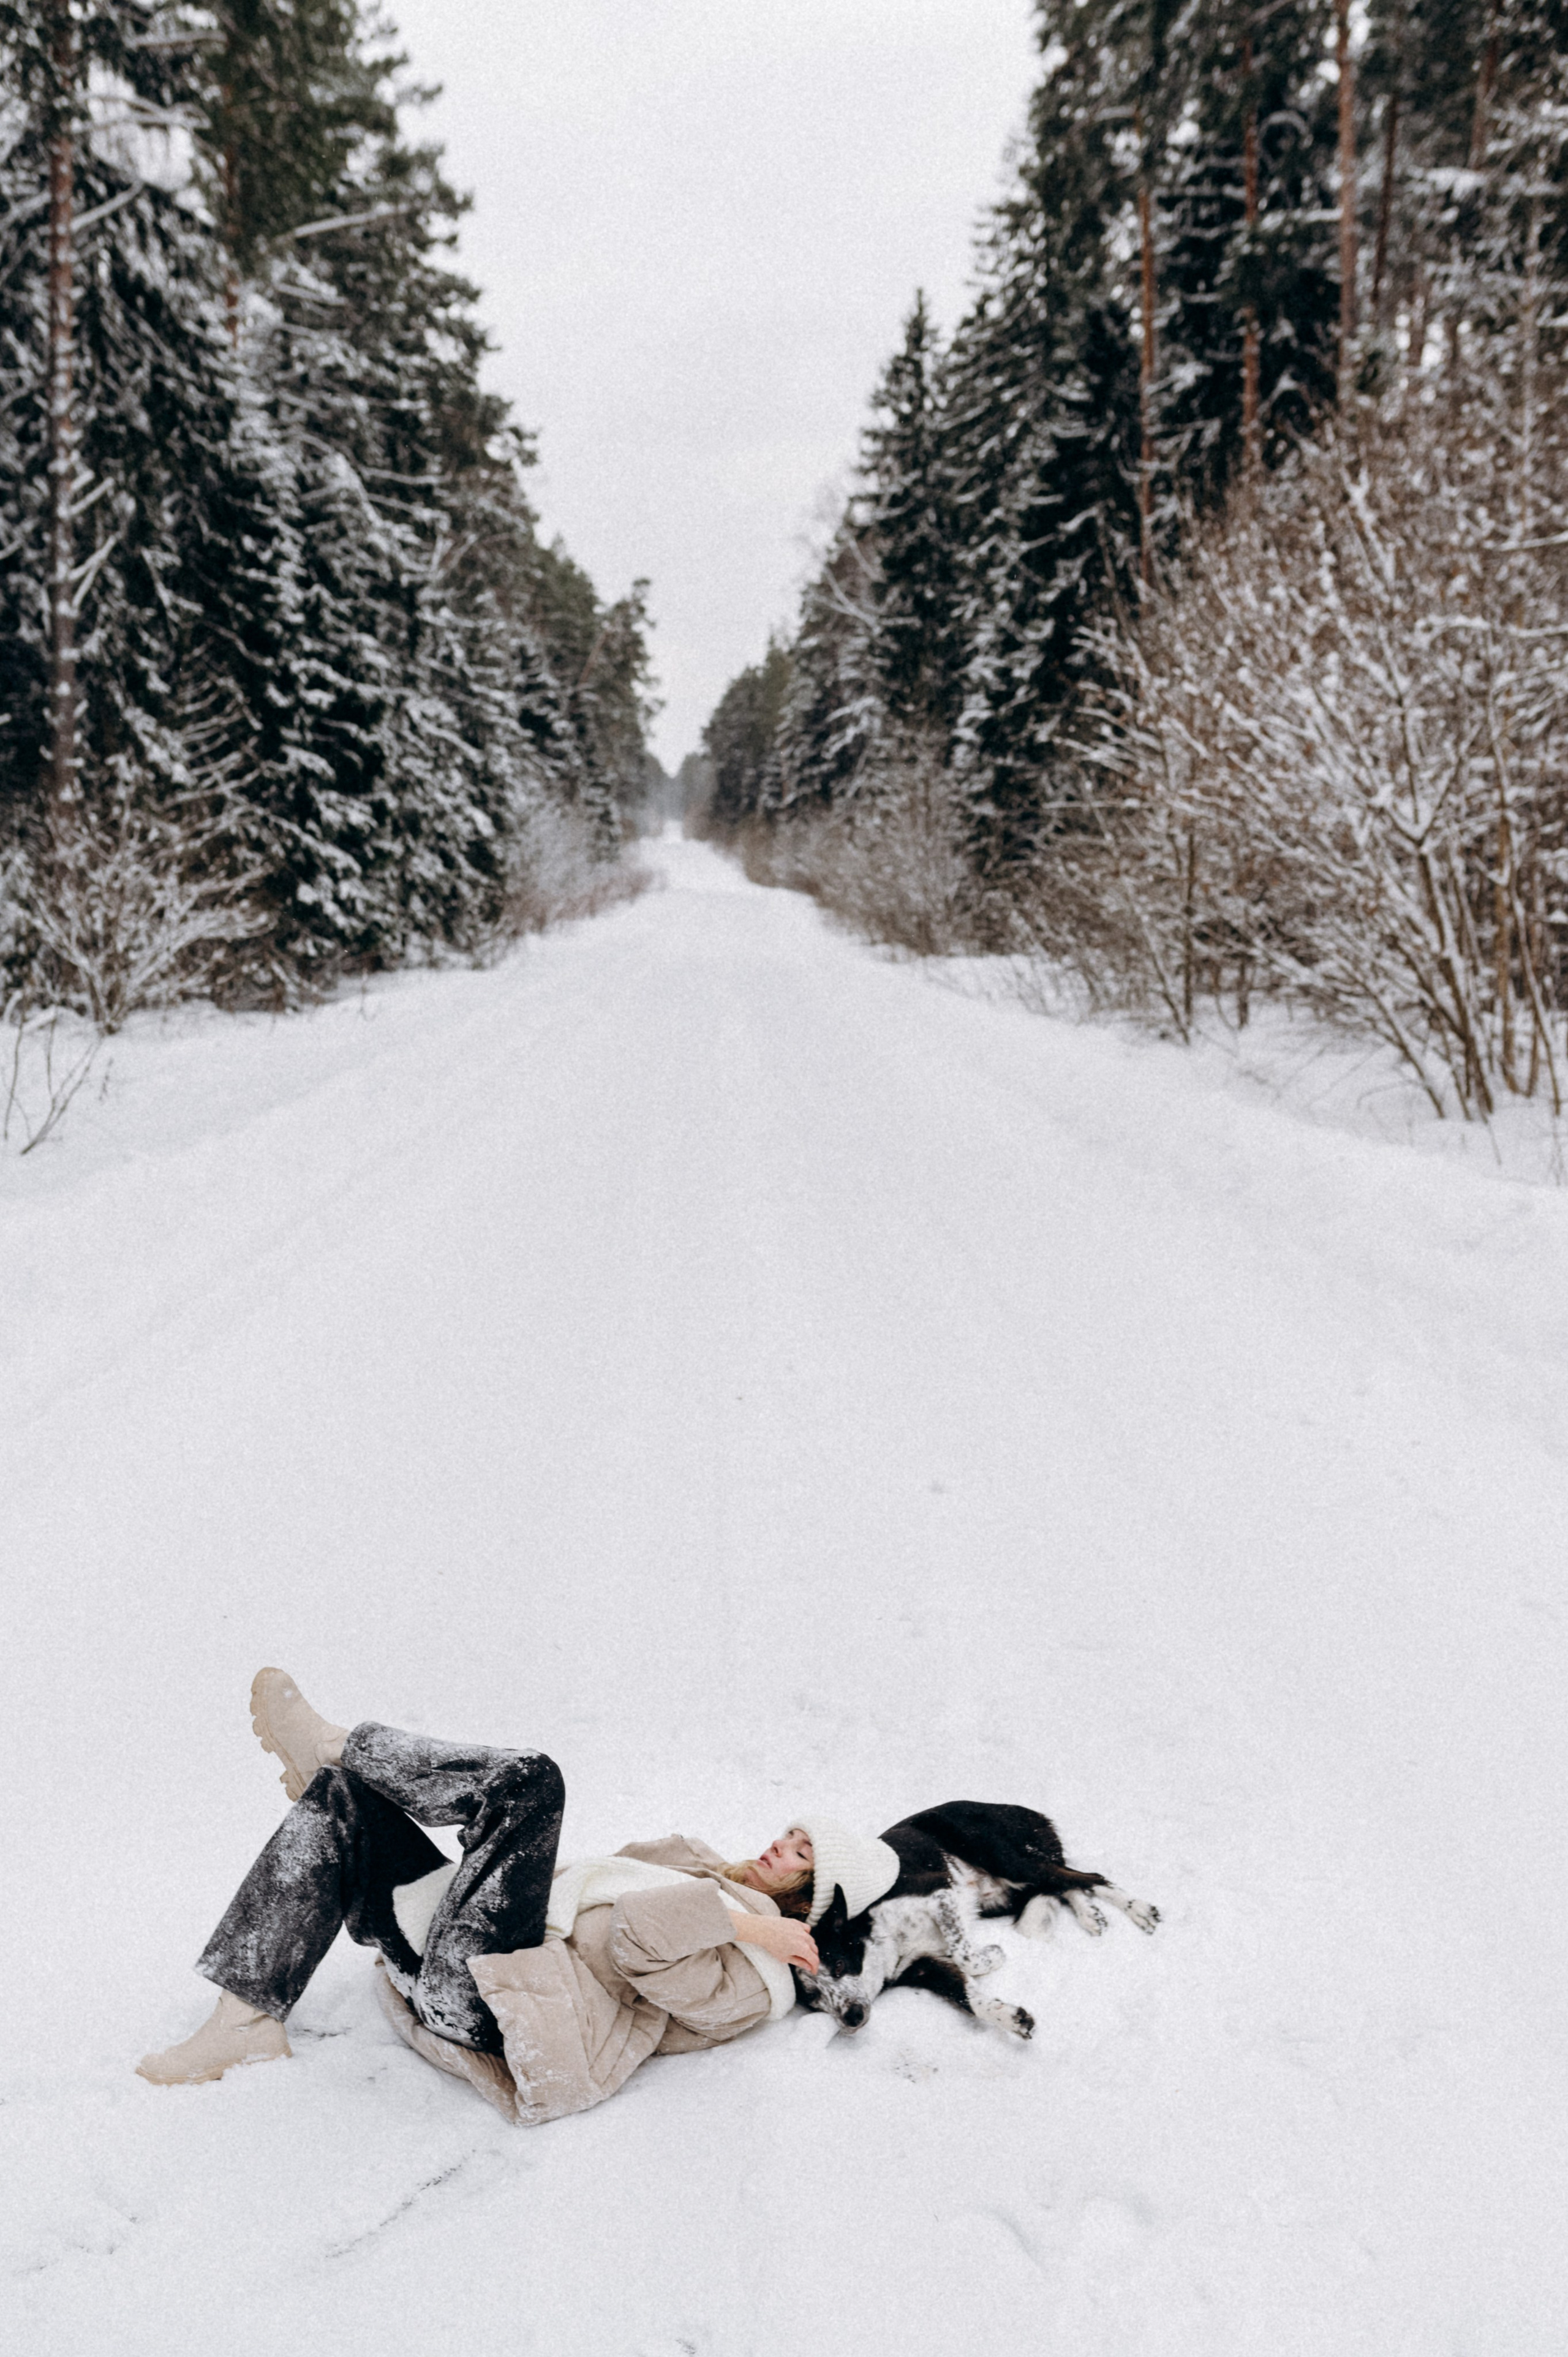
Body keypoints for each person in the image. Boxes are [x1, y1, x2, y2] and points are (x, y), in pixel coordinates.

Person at [135, 1671, 900, 2124]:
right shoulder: (696, 1867)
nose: (782, 1846)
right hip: (459, 1955)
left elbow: (634, 1942)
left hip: (503, 2008)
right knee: (339, 1804)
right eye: (790, 1833)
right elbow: (579, 1894)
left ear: (813, 1898)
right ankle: (244, 2018)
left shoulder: (757, 1978)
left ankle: (343, 1743)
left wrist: (749, 1928)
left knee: (534, 1783)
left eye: (803, 1855)